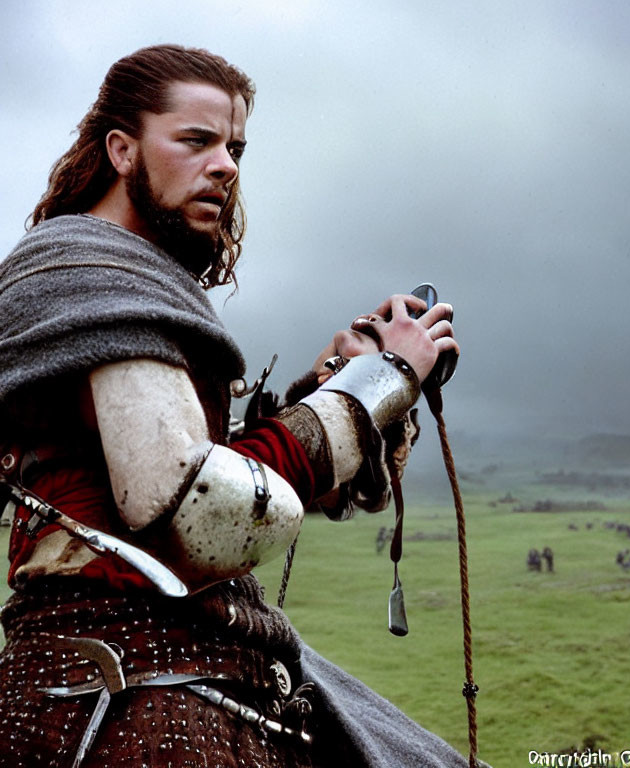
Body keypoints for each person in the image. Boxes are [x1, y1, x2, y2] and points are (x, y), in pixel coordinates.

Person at [0, 44, 471, 768]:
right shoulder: (93, 270)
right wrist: (384, 378)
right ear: (122, 150)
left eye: (235, 148)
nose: (225, 165)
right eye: (195, 141)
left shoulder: (120, 280)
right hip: (135, 694)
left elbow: (184, 479)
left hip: (154, 675)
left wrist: (339, 385)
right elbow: (202, 509)